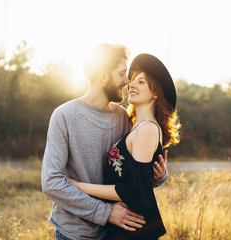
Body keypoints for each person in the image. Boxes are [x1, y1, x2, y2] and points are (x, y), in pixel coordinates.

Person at [41, 44, 169, 240]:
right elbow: (51, 182)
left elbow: (133, 177)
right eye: (122, 74)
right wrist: (106, 213)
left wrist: (159, 174)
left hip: (113, 233)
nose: (127, 82)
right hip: (74, 233)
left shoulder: (123, 118)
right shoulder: (64, 116)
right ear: (103, 76)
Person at [68, 53, 181, 240]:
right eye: (133, 80)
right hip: (122, 228)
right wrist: (159, 176)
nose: (132, 84)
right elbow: (141, 179)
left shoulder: (147, 130)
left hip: (134, 232)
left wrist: (79, 186)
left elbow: (133, 190)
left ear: (155, 93)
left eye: (141, 82)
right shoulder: (135, 128)